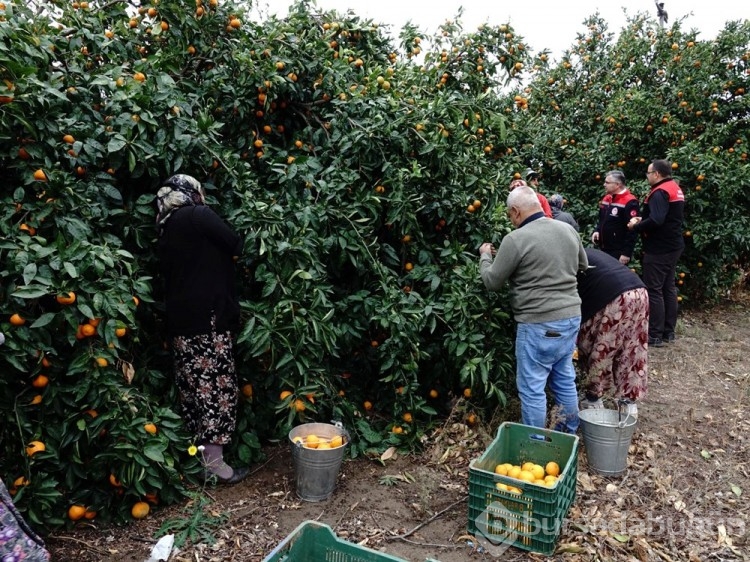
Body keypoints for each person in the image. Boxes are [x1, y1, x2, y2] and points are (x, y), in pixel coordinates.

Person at [156, 174, 249, 484]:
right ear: (190, 193)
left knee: (194, 389)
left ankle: (199, 459)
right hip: (207, 319)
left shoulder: (165, 228)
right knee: (217, 387)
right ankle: (215, 466)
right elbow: (235, 243)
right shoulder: (197, 215)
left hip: (181, 324)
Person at [479, 185, 588, 433]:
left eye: (509, 215)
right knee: (564, 379)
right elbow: (583, 264)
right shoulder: (568, 230)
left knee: (532, 388)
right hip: (570, 317)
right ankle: (568, 434)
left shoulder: (516, 239)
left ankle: (535, 443)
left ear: (516, 211)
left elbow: (492, 282)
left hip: (538, 322)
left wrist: (485, 256)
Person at [576, 249, 648, 418]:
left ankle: (592, 399)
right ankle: (628, 403)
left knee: (599, 345)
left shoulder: (568, 257)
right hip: (640, 291)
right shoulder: (588, 252)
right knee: (633, 347)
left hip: (614, 297)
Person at [628, 159, 685, 347]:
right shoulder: (673, 187)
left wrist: (637, 226)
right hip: (673, 245)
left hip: (660, 248)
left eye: (648, 172)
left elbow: (657, 219)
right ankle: (668, 331)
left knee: (654, 289)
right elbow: (663, 216)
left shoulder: (660, 191)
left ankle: (654, 335)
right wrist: (643, 218)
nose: (647, 176)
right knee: (668, 287)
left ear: (657, 174)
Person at [591, 171, 640, 265]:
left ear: (617, 184)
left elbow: (633, 230)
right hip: (604, 247)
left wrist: (626, 253)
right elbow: (602, 219)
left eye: (607, 182)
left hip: (617, 250)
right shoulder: (607, 198)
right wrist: (597, 230)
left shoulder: (630, 201)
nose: (604, 185)